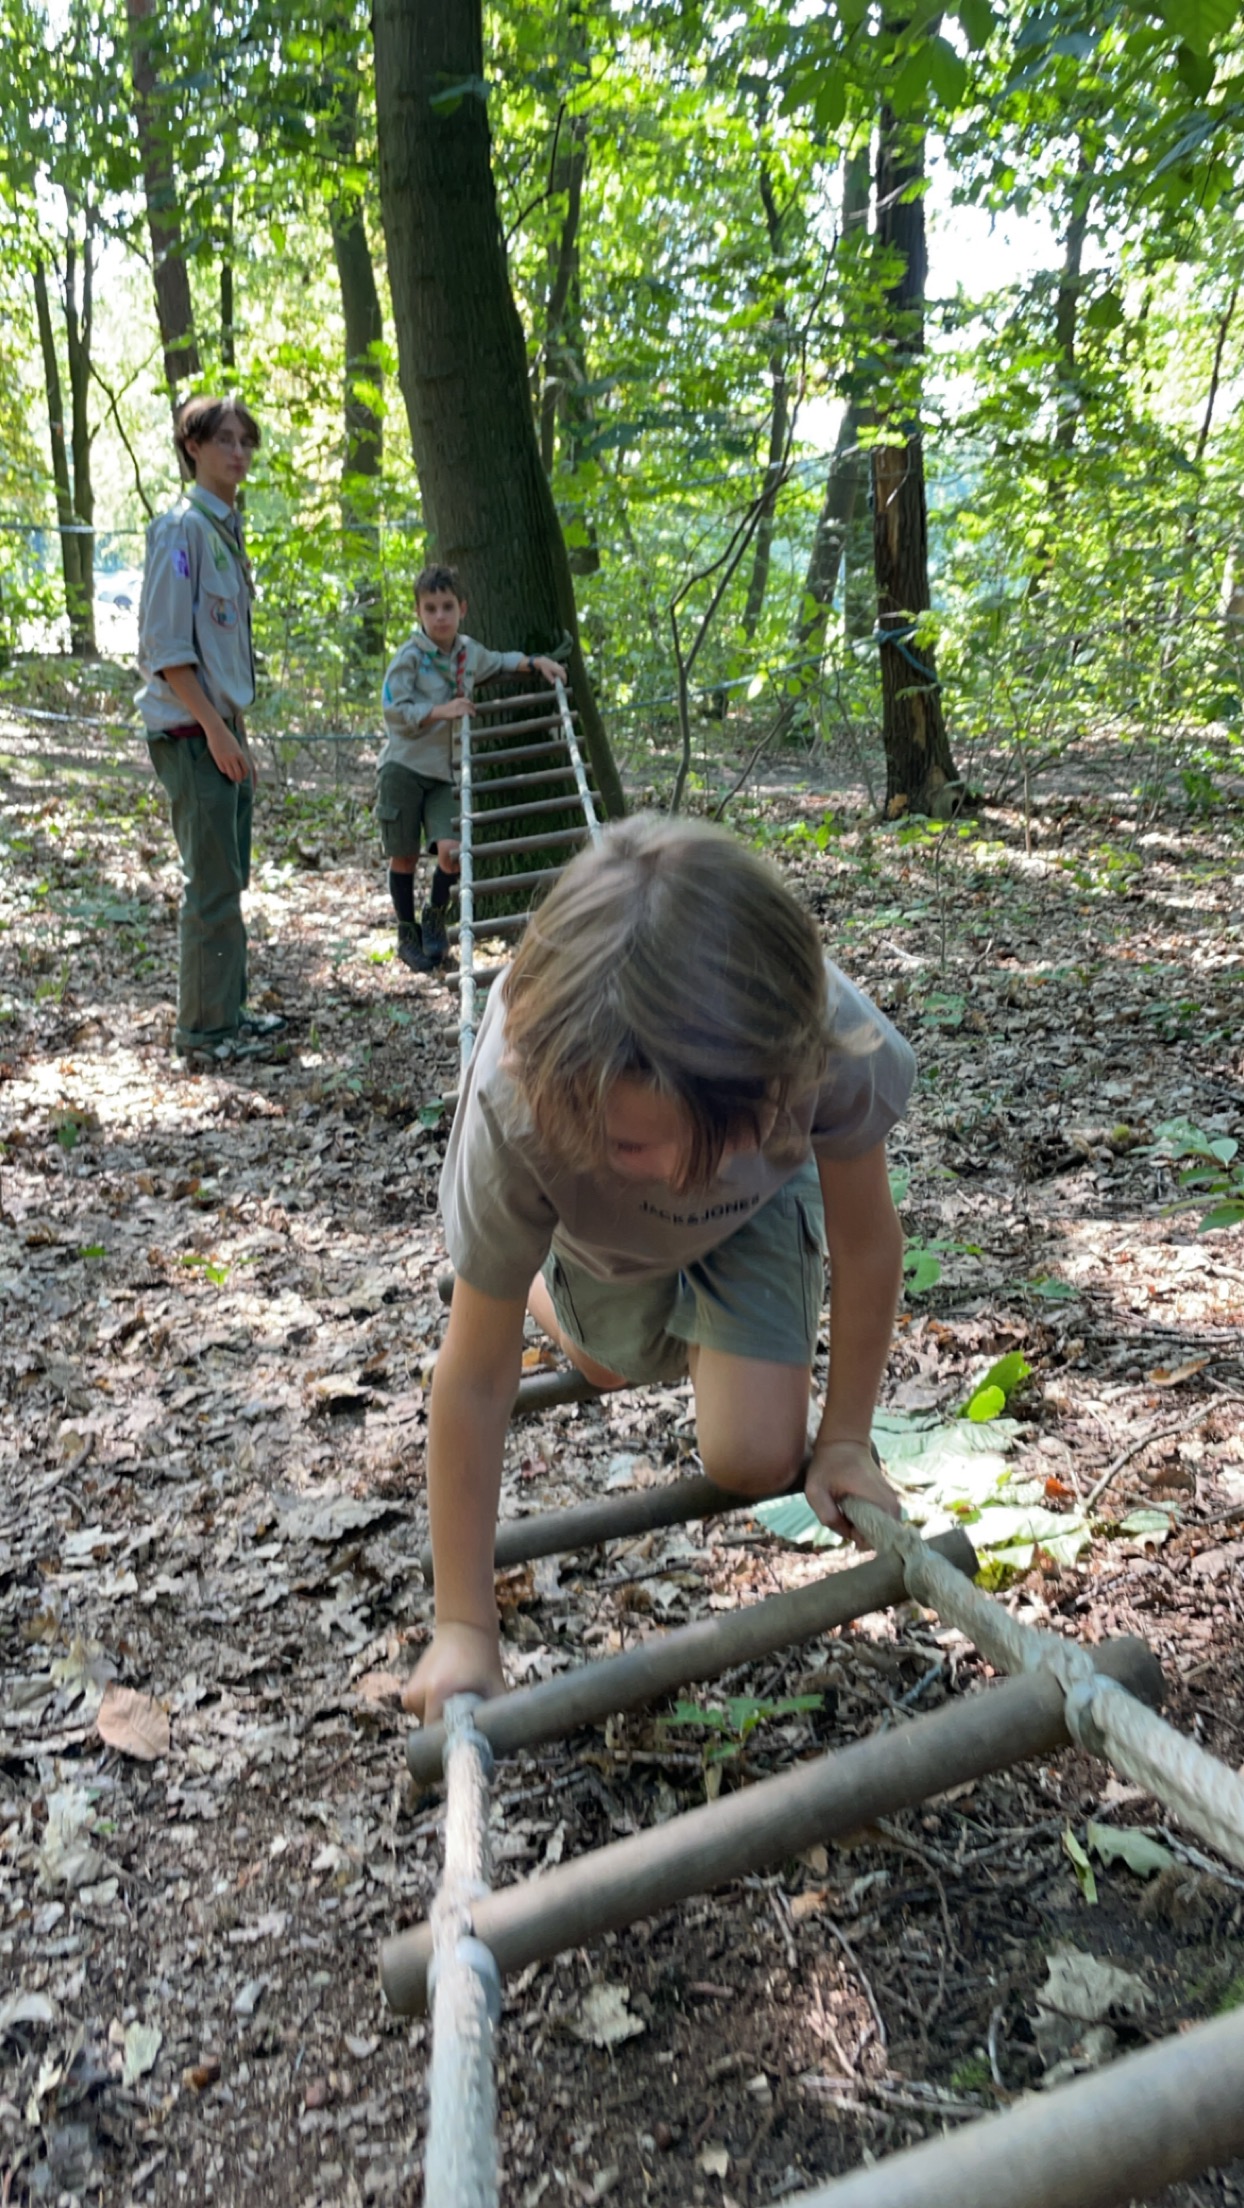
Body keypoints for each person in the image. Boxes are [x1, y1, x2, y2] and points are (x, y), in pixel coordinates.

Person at [404, 815, 915, 1724]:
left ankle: (681, 1201)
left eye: (725, 1133)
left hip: (756, 1206)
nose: (684, 1172)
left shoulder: (826, 1045)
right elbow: (476, 1379)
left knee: (756, 1457)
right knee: (611, 1362)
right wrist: (464, 1627)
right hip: (594, 1215)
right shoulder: (517, 1113)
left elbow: (867, 1241)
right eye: (645, 1141)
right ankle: (530, 1278)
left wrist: (843, 1438)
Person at [136, 394, 285, 1065]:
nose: (238, 453)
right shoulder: (180, 531)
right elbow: (166, 652)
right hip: (195, 736)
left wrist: (235, 731)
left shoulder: (224, 529)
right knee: (212, 884)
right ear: (192, 447)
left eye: (246, 441)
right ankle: (202, 1030)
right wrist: (217, 734)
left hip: (223, 729)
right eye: (225, 439)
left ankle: (228, 1013)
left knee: (229, 878)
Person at [378, 564, 566, 972]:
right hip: (404, 768)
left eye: (448, 607)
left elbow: (500, 660)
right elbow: (393, 708)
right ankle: (406, 933)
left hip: (445, 773)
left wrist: (536, 663)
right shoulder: (410, 657)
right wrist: (442, 711)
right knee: (405, 855)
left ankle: (434, 916)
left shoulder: (469, 653)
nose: (440, 616)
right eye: (431, 608)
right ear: (419, 613)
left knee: (451, 852)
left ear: (462, 608)